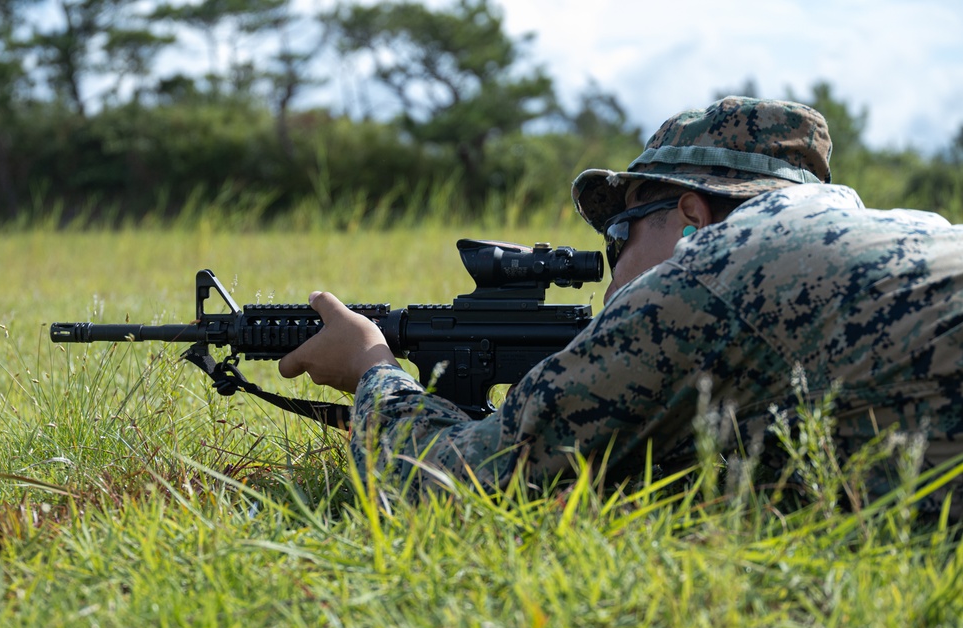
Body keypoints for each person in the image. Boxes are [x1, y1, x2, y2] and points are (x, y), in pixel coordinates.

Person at [279, 96, 963, 516]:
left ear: (693, 216)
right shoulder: (918, 230)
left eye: (619, 236)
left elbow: (454, 487)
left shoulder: (715, 266)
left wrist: (371, 366)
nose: (610, 279)